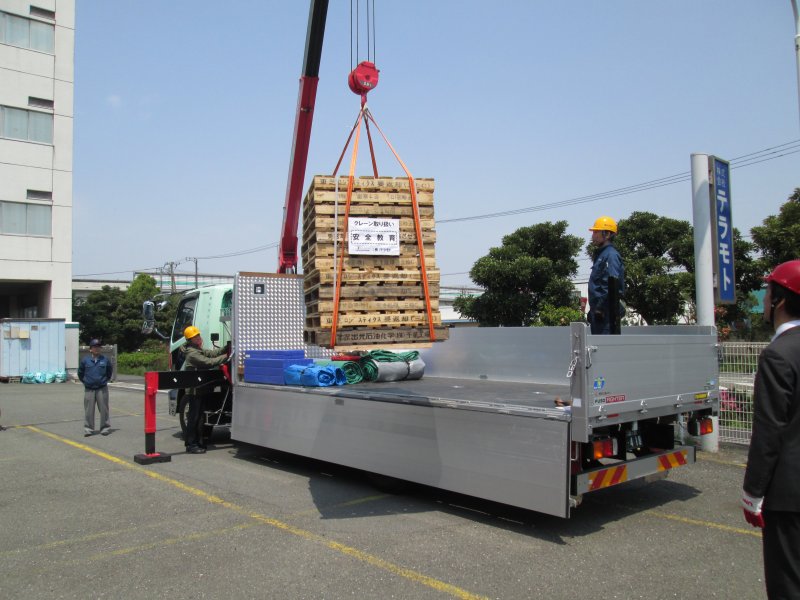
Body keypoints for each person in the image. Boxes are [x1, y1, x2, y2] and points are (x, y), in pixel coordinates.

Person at [742, 259, 800, 599]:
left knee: (787, 583)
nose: (764, 299)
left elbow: (769, 432)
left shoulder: (778, 355)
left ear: (779, 301)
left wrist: (752, 494)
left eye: (767, 292)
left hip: (788, 496)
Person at [181, 325, 229, 454]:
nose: (198, 338)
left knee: (199, 417)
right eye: (195, 337)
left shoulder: (197, 349)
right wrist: (226, 356)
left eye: (198, 335)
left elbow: (212, 353)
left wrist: (226, 348)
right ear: (190, 340)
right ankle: (191, 444)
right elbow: (209, 362)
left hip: (200, 389)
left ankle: (198, 441)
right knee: (194, 417)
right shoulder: (192, 354)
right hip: (194, 390)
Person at [587, 216, 625, 334]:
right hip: (599, 313)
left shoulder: (611, 255)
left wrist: (600, 307)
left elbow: (611, 284)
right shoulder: (601, 255)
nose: (593, 236)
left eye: (596, 232)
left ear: (607, 234)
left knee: (605, 344)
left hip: (606, 314)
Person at [78, 338, 113, 437]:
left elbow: (109, 372)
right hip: (89, 389)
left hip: (102, 388)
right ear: (90, 349)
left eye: (98, 347)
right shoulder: (85, 360)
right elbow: (80, 373)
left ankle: (105, 428)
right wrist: (85, 382)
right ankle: (88, 429)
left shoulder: (105, 360)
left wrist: (104, 380)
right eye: (94, 347)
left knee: (104, 409)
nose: (97, 348)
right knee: (89, 410)